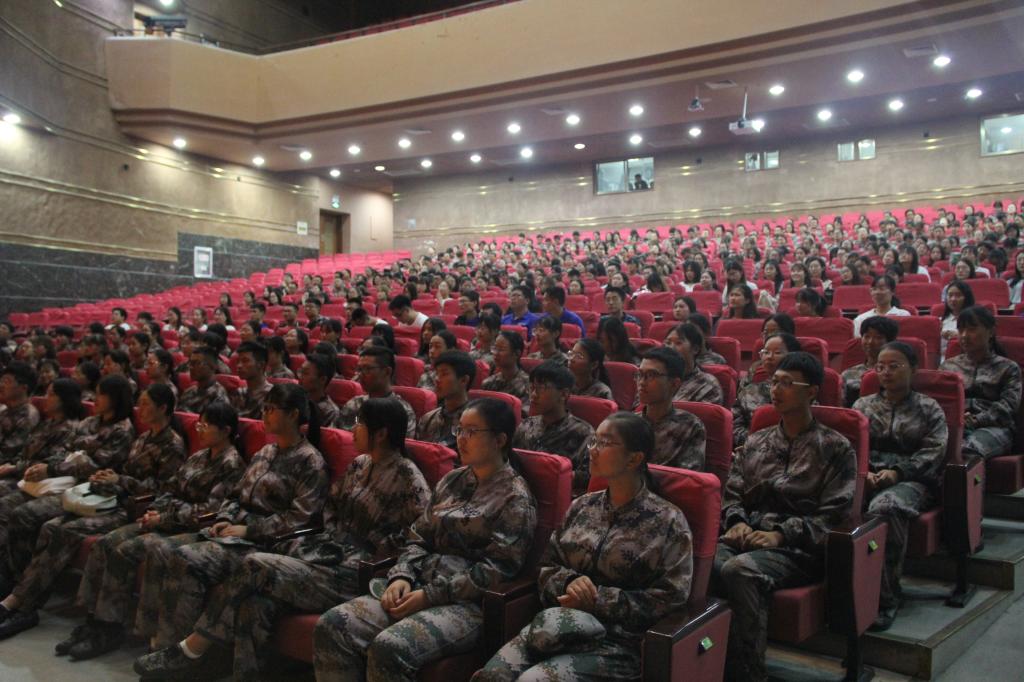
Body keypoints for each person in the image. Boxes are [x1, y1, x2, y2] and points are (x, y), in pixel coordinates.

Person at [140, 398, 431, 679]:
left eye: (360, 423)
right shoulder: (359, 465)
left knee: (255, 564)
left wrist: (364, 550)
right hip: (327, 554)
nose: (353, 429)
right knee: (255, 604)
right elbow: (331, 508)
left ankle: (192, 648)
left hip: (356, 572)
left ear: (381, 433)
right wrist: (333, 539)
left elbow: (417, 537)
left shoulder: (409, 478)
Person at [313, 397, 538, 681]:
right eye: (459, 430)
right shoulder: (452, 481)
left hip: (465, 604)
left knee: (389, 647)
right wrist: (402, 575)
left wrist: (430, 596)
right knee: (333, 624)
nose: (461, 439)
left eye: (471, 432)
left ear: (500, 440)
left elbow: (497, 570)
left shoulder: (515, 498)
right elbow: (418, 536)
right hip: (417, 584)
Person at [475, 412, 692, 682]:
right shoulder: (582, 506)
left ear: (634, 459)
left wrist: (598, 600)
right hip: (559, 626)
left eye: (605, 443)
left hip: (618, 643)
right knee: (491, 675)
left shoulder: (668, 521)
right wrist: (568, 582)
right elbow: (547, 566)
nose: (592, 450)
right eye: (593, 441)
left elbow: (671, 598)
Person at [132, 383, 329, 673]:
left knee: (188, 558)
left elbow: (300, 519)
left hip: (266, 544)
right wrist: (225, 518)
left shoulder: (310, 461)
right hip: (234, 534)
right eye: (264, 408)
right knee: (168, 552)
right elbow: (236, 494)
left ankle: (183, 657)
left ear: (293, 414)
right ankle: (165, 647)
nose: (265, 414)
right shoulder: (265, 452)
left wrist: (249, 531)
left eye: (272, 409)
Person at [61, 401, 247, 660]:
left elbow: (210, 510)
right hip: (164, 518)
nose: (200, 430)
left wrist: (163, 518)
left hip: (189, 527)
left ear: (225, 430)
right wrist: (154, 511)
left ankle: (114, 628)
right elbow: (170, 488)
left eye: (206, 425)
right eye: (199, 424)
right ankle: (94, 620)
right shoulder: (198, 456)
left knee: (127, 550)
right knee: (106, 542)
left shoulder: (232, 464)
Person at [713, 352, 857, 682]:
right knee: (704, 561)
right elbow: (732, 492)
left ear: (812, 392)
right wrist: (736, 522)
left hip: (800, 548)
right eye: (774, 382)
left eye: (787, 384)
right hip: (748, 535)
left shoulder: (834, 447)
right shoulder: (756, 441)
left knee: (739, 569)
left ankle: (749, 674)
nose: (776, 390)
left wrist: (780, 534)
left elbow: (833, 516)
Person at [0, 383, 185, 640]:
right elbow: (117, 469)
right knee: (51, 526)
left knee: (64, 532)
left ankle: (23, 603)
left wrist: (118, 480)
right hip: (105, 495)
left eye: (145, 404)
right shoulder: (144, 438)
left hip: (129, 507)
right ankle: (18, 596)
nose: (140, 409)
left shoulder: (172, 444)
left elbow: (163, 489)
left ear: (163, 408)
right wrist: (108, 477)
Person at [853, 342, 947, 631]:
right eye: (880, 367)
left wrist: (897, 473)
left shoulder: (928, 408)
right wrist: (864, 472)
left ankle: (886, 597)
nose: (886, 372)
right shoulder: (863, 406)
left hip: (914, 481)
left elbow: (934, 452)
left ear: (913, 368)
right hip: (869, 477)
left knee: (886, 506)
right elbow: (851, 447)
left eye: (894, 366)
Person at [940, 305, 1023, 461]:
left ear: (990, 332)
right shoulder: (948, 366)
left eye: (972, 329)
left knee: (965, 449)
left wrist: (976, 420)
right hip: (955, 425)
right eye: (961, 330)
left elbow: (1008, 407)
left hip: (994, 427)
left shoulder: (1008, 367)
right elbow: (939, 402)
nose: (964, 336)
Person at [512, 361, 595, 495]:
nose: (534, 395)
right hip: (519, 492)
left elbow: (589, 476)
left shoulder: (583, 432)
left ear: (563, 394)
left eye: (541, 388)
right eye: (531, 388)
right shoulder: (526, 425)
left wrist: (558, 475)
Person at [0, 378, 83, 499]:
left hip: (36, 480)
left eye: (51, 394)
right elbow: (25, 450)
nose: (45, 398)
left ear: (65, 399)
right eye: (46, 393)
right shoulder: (47, 423)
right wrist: (10, 464)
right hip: (20, 473)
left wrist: (14, 468)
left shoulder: (69, 429)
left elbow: (49, 463)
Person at [636, 348, 706, 470]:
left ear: (674, 384)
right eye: (640, 374)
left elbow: (687, 476)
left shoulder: (690, 426)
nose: (641, 382)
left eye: (651, 375)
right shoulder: (629, 423)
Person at [733, 333, 801, 447]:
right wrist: (754, 443)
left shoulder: (801, 391)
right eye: (766, 352)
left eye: (777, 352)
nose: (769, 357)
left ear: (793, 355)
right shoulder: (749, 391)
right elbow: (734, 425)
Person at [337, 347, 417, 435]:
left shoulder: (402, 411)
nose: (360, 375)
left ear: (387, 372)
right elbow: (338, 436)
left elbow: (402, 442)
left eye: (367, 369)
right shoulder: (354, 403)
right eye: (359, 369)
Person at [417, 350, 475, 452]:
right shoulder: (427, 419)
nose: (437, 379)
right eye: (437, 373)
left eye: (444, 374)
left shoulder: (475, 422)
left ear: (463, 380)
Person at [842, 316, 898, 407]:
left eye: (878, 337)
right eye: (866, 336)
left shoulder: (898, 372)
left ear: (890, 341)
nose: (870, 342)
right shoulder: (848, 374)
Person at [664, 323, 724, 405]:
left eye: (678, 343)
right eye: (668, 343)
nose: (671, 348)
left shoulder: (707, 385)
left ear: (695, 349)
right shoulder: (658, 377)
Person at [481, 331, 532, 415]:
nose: (495, 353)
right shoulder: (488, 383)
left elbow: (523, 414)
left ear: (517, 354)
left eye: (501, 349)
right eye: (495, 348)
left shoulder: (527, 384)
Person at [0, 361, 41, 463]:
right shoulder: (6, 410)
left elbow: (7, 454)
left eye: (7, 381)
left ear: (23, 388)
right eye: (1, 381)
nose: (1, 385)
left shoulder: (28, 417)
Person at [177, 347, 230, 415]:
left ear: (213, 366)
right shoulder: (188, 392)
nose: (191, 367)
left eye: (197, 363)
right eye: (190, 363)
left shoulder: (219, 397)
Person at [229, 341, 271, 419]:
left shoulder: (272, 396)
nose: (239, 366)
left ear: (261, 365)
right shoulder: (238, 393)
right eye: (238, 361)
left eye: (245, 361)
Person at [300, 353, 342, 428]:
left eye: (305, 373)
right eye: (300, 372)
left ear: (322, 379)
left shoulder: (331, 412)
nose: (300, 377)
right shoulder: (297, 399)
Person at [940, 280, 973, 362]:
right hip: (943, 361)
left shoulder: (975, 319)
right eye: (950, 295)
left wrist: (958, 336)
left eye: (958, 295)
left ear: (967, 297)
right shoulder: (940, 321)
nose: (953, 299)